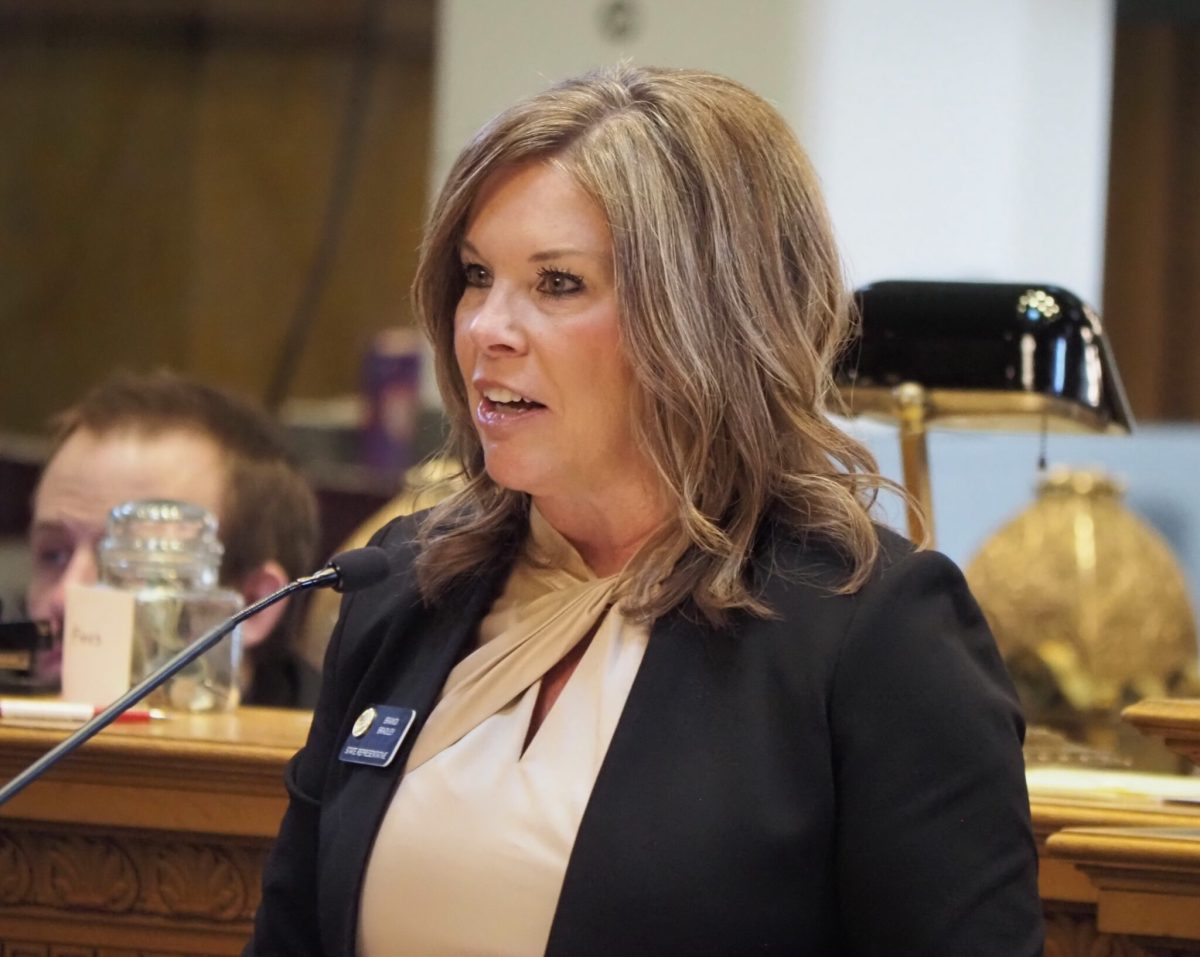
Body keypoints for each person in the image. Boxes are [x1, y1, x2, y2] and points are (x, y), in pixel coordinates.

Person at [248, 65, 1043, 955]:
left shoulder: (874, 634)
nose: (485, 329)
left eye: (557, 284)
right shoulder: (404, 584)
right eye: (477, 275)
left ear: (702, 318)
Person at [27, 369, 322, 709]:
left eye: (128, 564)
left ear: (252, 604)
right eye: (53, 555)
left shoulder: (332, 753)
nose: (65, 597)